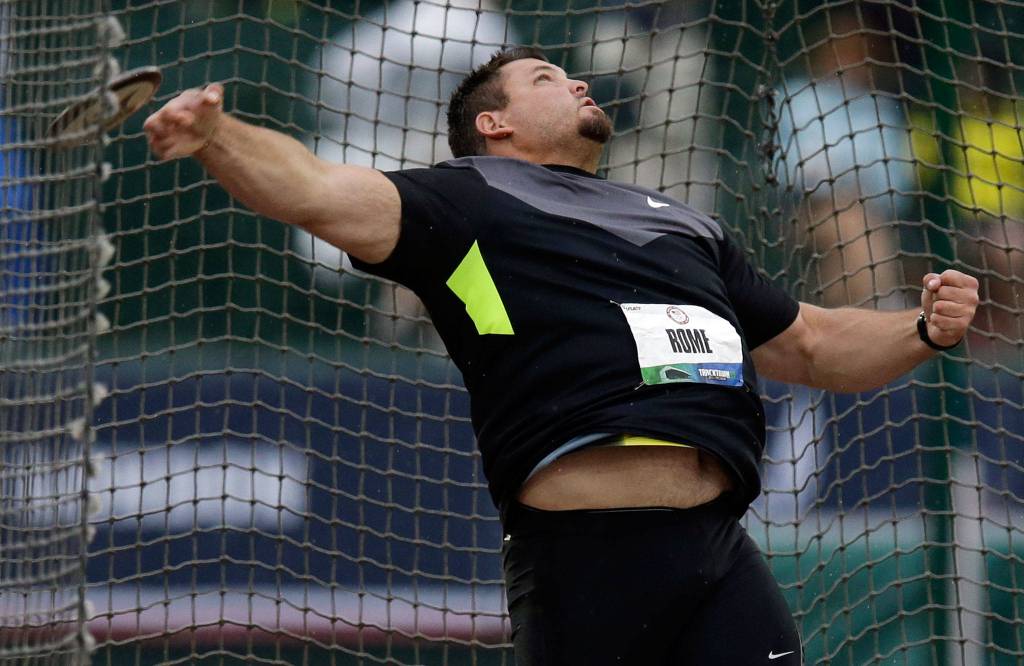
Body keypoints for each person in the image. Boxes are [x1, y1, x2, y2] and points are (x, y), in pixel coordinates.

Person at [143, 46, 979, 665]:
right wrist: (216, 135)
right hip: (586, 555)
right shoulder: (461, 200)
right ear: (492, 124)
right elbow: (315, 190)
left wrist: (923, 329)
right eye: (546, 79)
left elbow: (810, 343)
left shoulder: (686, 223)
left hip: (718, 549)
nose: (577, 82)